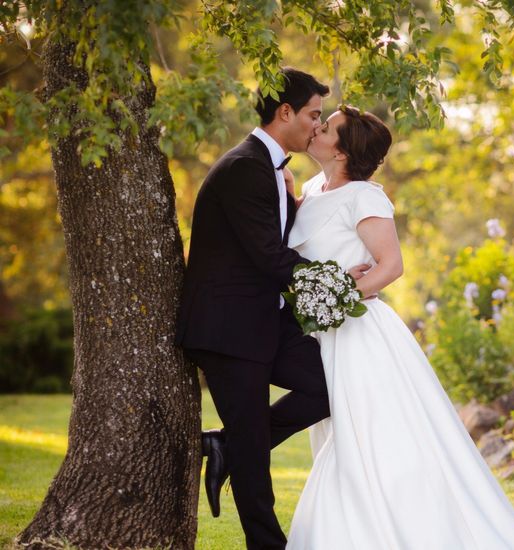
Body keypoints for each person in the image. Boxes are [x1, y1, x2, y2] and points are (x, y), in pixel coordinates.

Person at [284, 105, 514, 549]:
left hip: (360, 334)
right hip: (321, 335)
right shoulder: (310, 188)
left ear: (343, 151)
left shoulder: (365, 196)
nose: (316, 128)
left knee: (371, 439)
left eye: (327, 127)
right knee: (337, 435)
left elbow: (390, 266)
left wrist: (339, 295)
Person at [176, 68, 367, 550]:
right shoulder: (244, 167)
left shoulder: (273, 169)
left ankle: (228, 445)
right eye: (312, 115)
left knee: (327, 390)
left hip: (263, 321)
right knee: (255, 462)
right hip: (226, 330)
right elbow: (268, 255)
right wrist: (337, 285)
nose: (316, 127)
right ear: (285, 113)